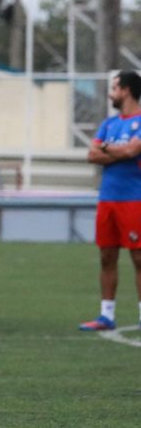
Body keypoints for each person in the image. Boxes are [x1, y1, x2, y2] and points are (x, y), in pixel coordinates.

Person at [79, 70, 141, 331]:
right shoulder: (109, 124)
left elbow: (131, 150)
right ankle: (106, 315)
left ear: (126, 90)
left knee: (138, 258)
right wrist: (116, 151)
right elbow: (92, 155)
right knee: (107, 255)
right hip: (108, 199)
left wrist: (108, 149)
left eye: (114, 88)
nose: (111, 93)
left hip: (134, 199)